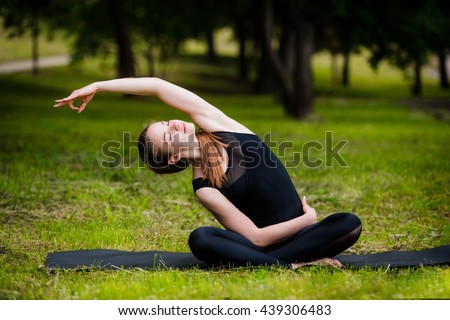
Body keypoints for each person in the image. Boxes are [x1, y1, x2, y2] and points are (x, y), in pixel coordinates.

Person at [54, 77, 362, 269]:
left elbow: (158, 86)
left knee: (349, 224)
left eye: (166, 122)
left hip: (302, 238)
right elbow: (256, 239)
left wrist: (98, 86)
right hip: (273, 244)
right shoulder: (204, 188)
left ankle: (288, 262)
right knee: (201, 238)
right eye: (168, 134)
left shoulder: (218, 124)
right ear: (174, 156)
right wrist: (307, 218)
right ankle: (290, 265)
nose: (175, 124)